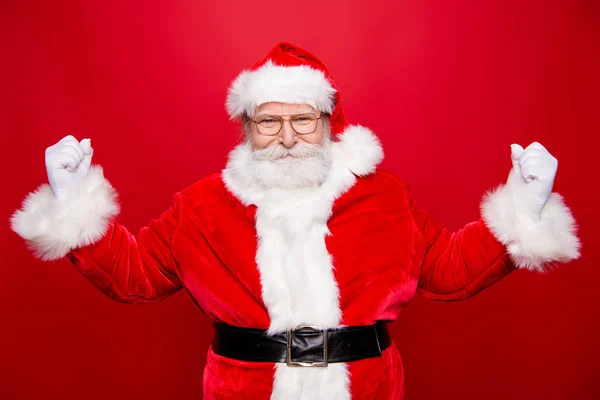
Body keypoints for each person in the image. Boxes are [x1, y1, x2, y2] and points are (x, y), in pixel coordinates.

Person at [10, 42, 581, 399]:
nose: (286, 138)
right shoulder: (201, 206)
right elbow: (135, 275)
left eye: (303, 120)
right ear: (246, 128)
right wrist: (74, 196)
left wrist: (522, 208)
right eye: (268, 122)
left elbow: (449, 270)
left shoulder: (386, 199)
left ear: (331, 122)